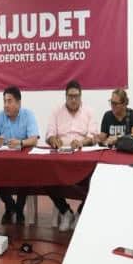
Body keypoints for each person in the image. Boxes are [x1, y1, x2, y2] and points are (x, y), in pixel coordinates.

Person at [45, 80, 97, 231]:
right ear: (65, 97)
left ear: (81, 96)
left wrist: (82, 142)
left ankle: (80, 213)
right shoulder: (56, 111)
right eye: (70, 96)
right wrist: (53, 139)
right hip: (61, 156)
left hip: (82, 156)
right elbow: (49, 134)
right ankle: (65, 212)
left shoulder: (89, 111)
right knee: (45, 176)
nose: (73, 100)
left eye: (76, 96)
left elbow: (93, 136)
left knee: (95, 180)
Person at [0, 86, 40, 224]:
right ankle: (13, 207)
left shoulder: (28, 115)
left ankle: (17, 208)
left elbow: (34, 139)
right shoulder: (0, 116)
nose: (6, 105)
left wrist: (21, 143)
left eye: (9, 101)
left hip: (23, 165)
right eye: (4, 101)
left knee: (25, 176)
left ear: (18, 103)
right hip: (3, 165)